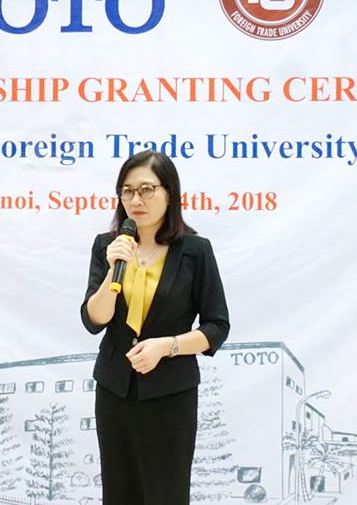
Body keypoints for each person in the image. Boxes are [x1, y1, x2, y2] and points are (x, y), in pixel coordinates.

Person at [80, 149, 231, 505]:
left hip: (170, 393)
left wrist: (167, 346)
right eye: (128, 191)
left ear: (169, 193)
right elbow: (94, 320)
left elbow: (217, 326)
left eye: (147, 189)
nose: (136, 200)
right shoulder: (107, 246)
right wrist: (113, 270)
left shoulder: (195, 251)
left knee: (166, 493)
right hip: (115, 389)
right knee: (119, 492)